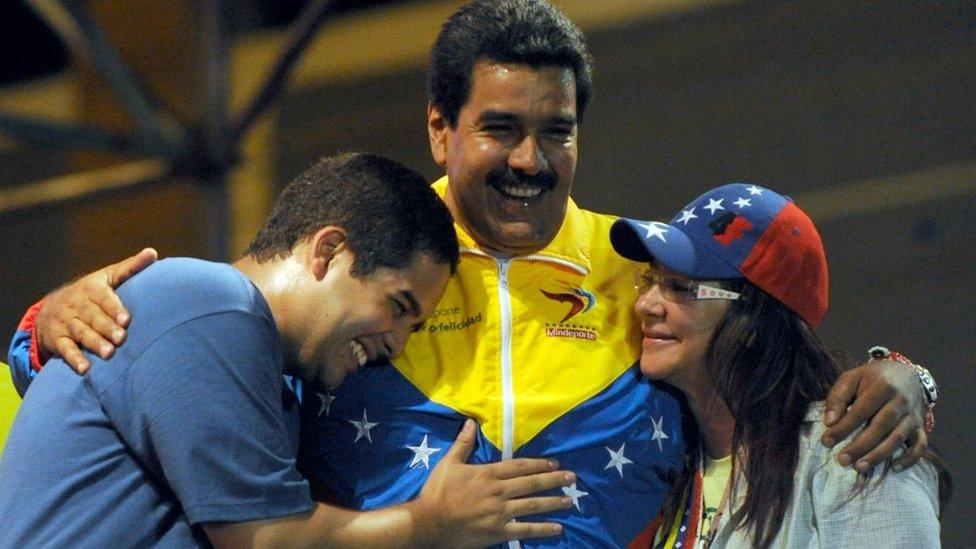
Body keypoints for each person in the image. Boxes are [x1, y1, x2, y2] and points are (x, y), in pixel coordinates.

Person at [6, 1, 935, 546]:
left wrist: (902, 375)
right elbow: (194, 343)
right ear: (441, 130)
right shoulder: (366, 265)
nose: (530, 159)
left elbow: (774, 364)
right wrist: (44, 321)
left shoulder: (642, 275)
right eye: (500, 128)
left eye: (557, 132)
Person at [0, 153, 576, 548]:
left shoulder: (267, 376)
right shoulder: (209, 302)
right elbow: (264, 539)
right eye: (399, 307)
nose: (396, 346)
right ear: (329, 250)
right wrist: (430, 522)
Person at [610, 183, 946, 547]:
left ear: (754, 320)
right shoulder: (667, 462)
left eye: (680, 288)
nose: (645, 304)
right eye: (650, 280)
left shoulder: (857, 447)